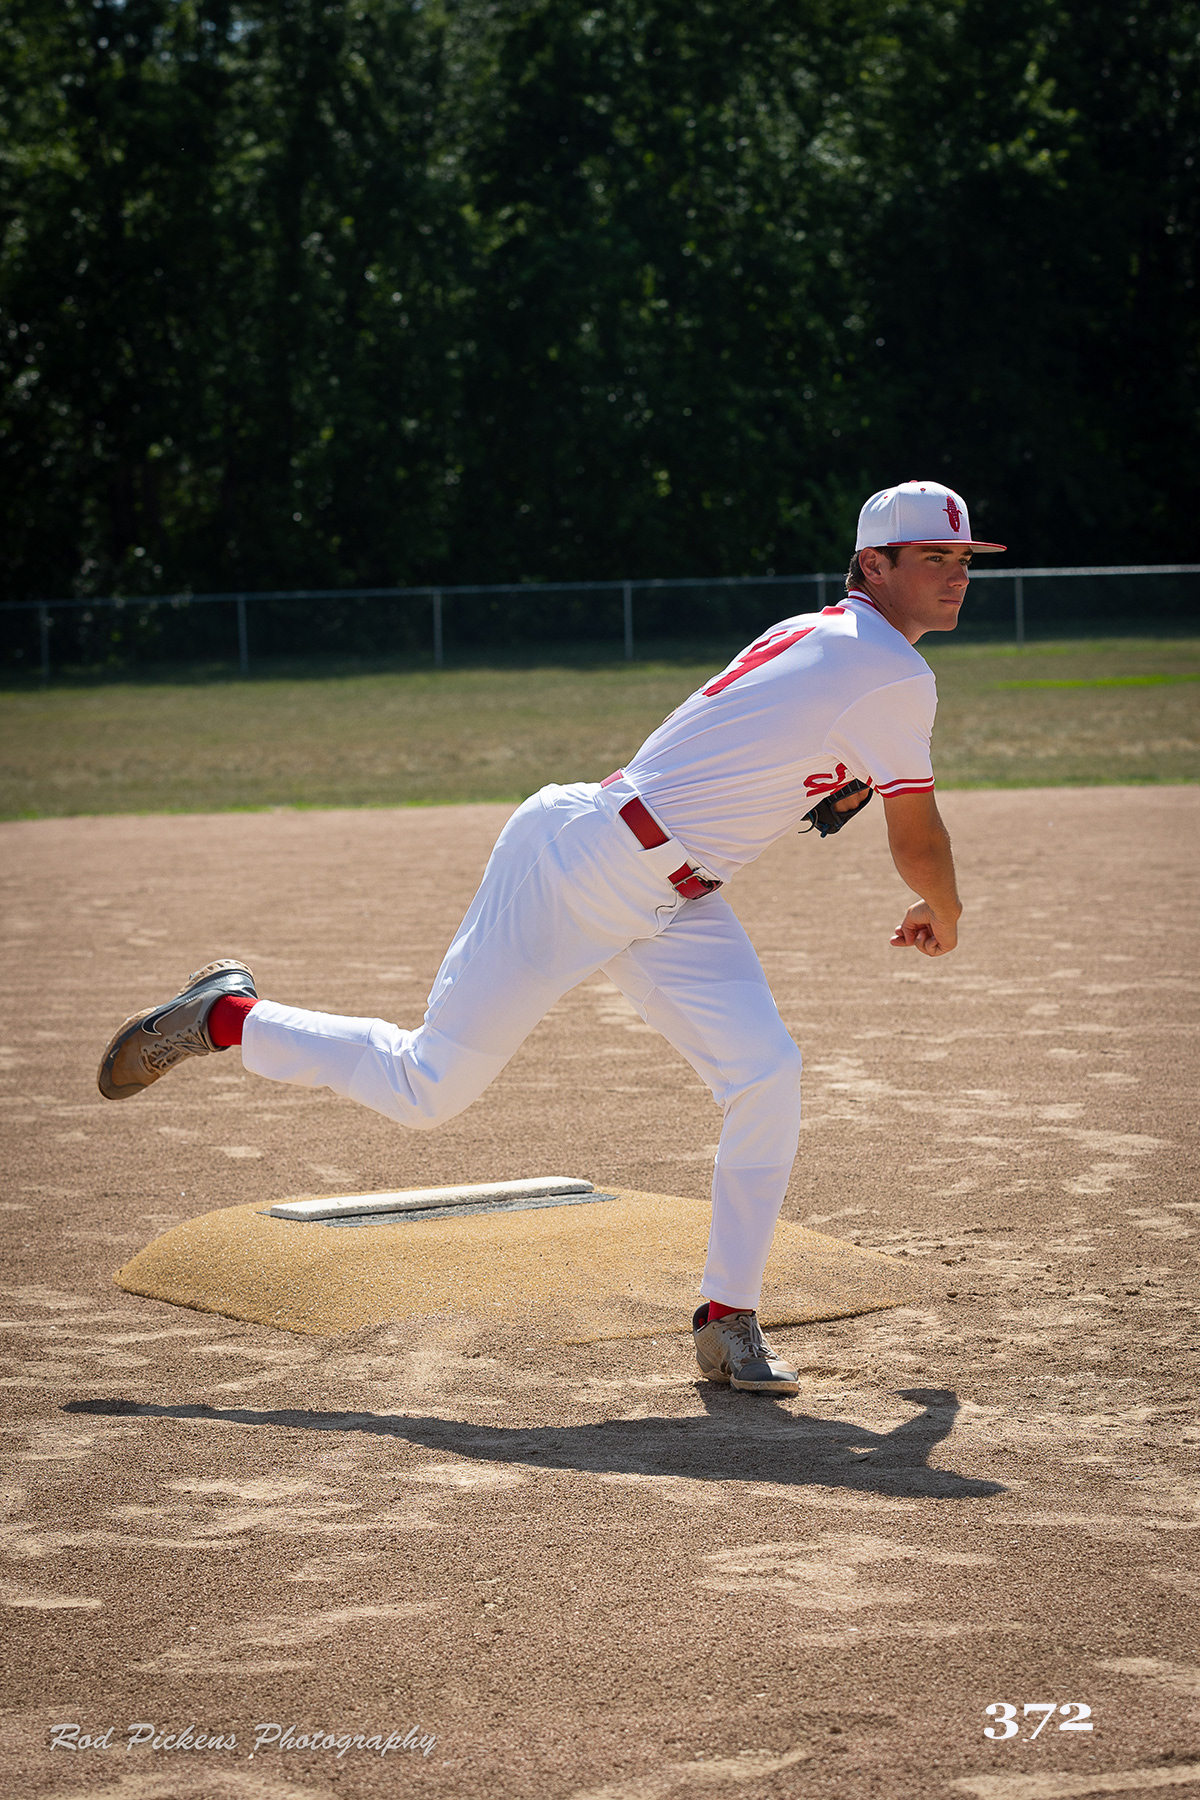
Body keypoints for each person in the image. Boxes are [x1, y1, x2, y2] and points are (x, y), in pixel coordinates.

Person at [98, 480, 1004, 1395]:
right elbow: (918, 843)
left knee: (766, 1072)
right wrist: (946, 911)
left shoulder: (826, 635)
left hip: (672, 895)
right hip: (583, 867)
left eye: (965, 558)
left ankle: (727, 1316)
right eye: (933, 556)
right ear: (872, 565)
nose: (956, 574)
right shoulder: (892, 669)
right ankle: (224, 1016)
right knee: (427, 1086)